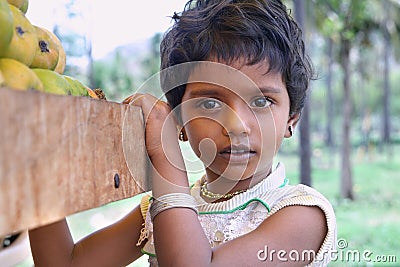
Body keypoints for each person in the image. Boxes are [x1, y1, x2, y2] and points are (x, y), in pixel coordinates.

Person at [28, 0, 337, 266]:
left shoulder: (303, 215)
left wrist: (165, 155)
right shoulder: (163, 208)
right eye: (210, 102)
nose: (237, 125)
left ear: (291, 120)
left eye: (261, 101)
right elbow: (62, 262)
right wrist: (32, 167)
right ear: (179, 122)